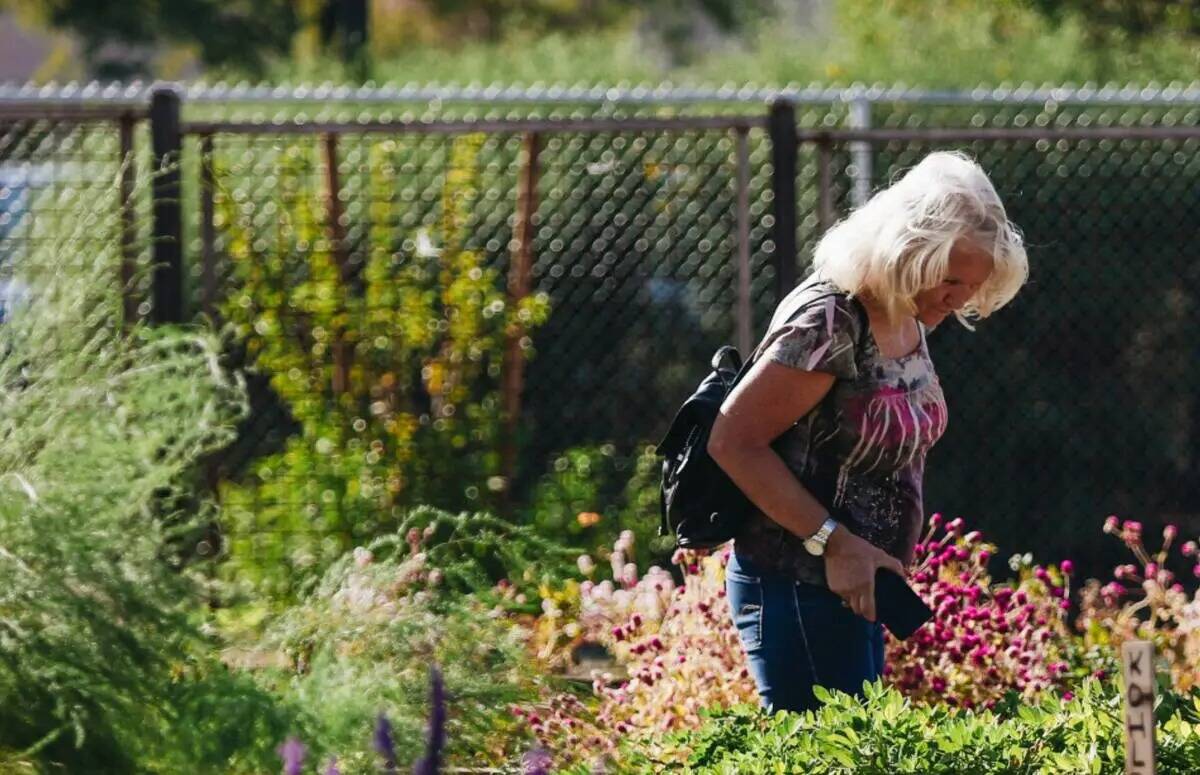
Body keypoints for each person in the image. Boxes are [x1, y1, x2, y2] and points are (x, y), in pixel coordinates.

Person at [708, 150, 1028, 713]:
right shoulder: (830, 320)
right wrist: (835, 542)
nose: (958, 301)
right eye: (950, 279)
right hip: (797, 582)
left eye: (970, 287)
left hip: (856, 587)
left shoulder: (908, 313)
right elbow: (734, 441)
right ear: (911, 251)